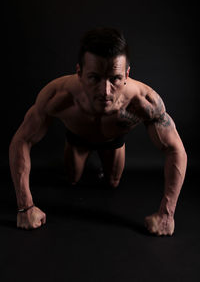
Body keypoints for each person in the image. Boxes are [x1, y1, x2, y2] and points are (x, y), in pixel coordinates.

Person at [9, 27, 187, 235]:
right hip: (77, 139)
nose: (105, 91)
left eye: (115, 79)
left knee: (112, 183)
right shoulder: (58, 95)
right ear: (79, 72)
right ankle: (80, 153)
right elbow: (21, 140)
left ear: (127, 74)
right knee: (73, 179)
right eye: (94, 78)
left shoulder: (144, 101)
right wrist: (25, 207)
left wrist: (167, 215)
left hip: (114, 140)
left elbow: (176, 150)